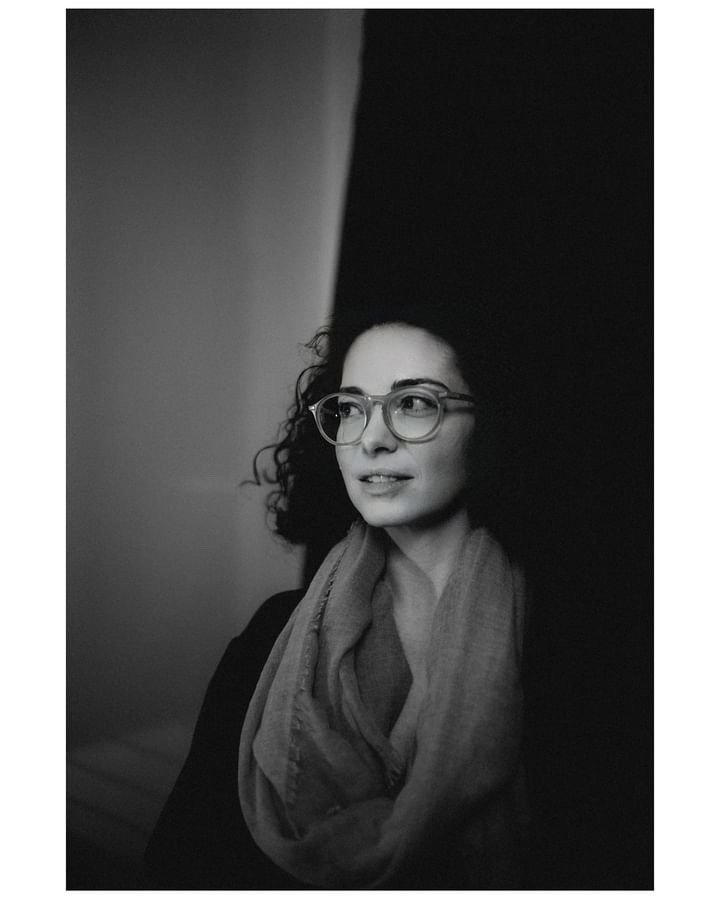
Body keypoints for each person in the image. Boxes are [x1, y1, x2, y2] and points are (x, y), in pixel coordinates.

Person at [145, 317, 528, 889]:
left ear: (489, 424)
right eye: (350, 408)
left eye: (413, 403)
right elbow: (179, 866)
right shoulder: (270, 634)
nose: (371, 439)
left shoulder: (565, 648)